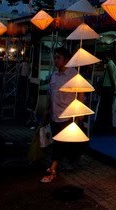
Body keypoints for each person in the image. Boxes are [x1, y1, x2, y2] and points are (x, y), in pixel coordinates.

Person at [41, 47, 85, 183]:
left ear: (66, 60)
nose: (55, 60)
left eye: (58, 58)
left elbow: (81, 94)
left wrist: (79, 114)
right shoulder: (54, 75)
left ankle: (53, 168)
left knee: (60, 143)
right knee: (59, 142)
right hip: (55, 115)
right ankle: (68, 161)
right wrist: (47, 110)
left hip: (68, 115)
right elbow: (50, 94)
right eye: (55, 57)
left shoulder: (74, 75)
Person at [95, 55, 116, 133]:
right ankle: (107, 125)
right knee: (108, 107)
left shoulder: (109, 64)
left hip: (107, 87)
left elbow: (111, 76)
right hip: (109, 87)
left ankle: (104, 125)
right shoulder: (113, 64)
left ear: (108, 56)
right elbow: (113, 76)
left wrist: (113, 87)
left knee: (104, 107)